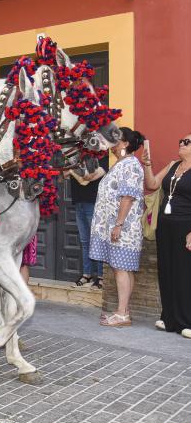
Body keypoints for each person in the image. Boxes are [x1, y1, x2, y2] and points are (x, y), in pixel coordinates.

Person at [91, 127, 146, 327]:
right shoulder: (122, 164)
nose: (111, 144)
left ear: (124, 144)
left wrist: (118, 224)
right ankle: (124, 311)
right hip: (120, 227)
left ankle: (122, 314)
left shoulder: (130, 165)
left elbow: (128, 197)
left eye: (115, 140)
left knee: (120, 269)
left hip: (123, 227)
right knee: (123, 269)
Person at [143, 133, 191, 339]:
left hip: (185, 226)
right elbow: (153, 184)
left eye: (187, 142)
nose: (181, 143)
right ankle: (169, 317)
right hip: (165, 226)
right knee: (166, 270)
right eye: (181, 140)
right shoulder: (173, 165)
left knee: (184, 273)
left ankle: (186, 321)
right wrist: (147, 165)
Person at [70, 157, 108, 289]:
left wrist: (72, 169)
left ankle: (101, 276)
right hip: (78, 201)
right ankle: (87, 274)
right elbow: (63, 173)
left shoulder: (105, 157)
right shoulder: (78, 156)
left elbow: (89, 178)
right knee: (85, 241)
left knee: (96, 240)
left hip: (94, 203)